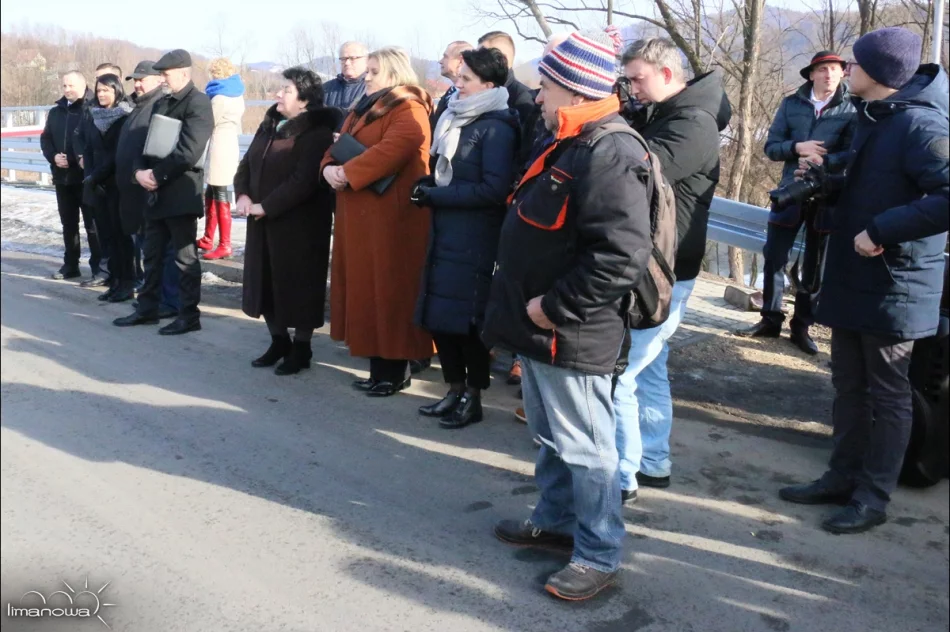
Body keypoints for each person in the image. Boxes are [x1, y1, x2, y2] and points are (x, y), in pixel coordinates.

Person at [483, 31, 653, 601]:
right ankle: (555, 522)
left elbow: (620, 255)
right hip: (539, 324)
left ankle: (598, 554)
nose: (537, 94)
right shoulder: (570, 138)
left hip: (567, 328)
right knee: (553, 436)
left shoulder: (612, 150)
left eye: (547, 84)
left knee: (588, 448)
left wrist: (555, 308)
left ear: (575, 89)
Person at [780, 28, 949, 535]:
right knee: (848, 384)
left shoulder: (921, 125)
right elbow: (872, 174)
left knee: (888, 394)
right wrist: (827, 176)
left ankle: (873, 496)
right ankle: (841, 476)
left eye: (854, 64)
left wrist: (880, 230)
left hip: (895, 284)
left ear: (879, 73)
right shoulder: (876, 116)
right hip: (855, 276)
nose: (845, 71)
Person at [612, 38, 732, 500]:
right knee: (649, 368)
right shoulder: (669, 113)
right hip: (661, 263)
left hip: (665, 268)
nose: (633, 89)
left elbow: (634, 169)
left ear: (666, 74)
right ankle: (653, 462)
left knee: (620, 375)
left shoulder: (693, 124)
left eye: (638, 79)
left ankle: (621, 477)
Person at [413, 46, 518, 428]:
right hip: (446, 232)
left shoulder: (498, 126)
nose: (456, 85)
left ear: (488, 84)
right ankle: (453, 389)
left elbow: (493, 190)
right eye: (457, 78)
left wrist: (437, 195)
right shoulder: (456, 118)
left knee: (467, 321)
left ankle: (473, 397)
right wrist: (426, 186)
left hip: (475, 238)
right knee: (441, 317)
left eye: (465, 80)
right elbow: (448, 174)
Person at [321, 47, 434, 397]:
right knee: (365, 291)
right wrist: (328, 169)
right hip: (361, 215)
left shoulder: (409, 107)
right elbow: (336, 144)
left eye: (373, 70)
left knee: (389, 292)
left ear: (394, 73)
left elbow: (395, 149)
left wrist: (347, 172)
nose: (365, 76)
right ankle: (378, 367)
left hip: (392, 220)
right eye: (366, 69)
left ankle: (394, 369)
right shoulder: (363, 107)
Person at [737, 50, 856, 355]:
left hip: (827, 193)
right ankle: (770, 320)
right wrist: (798, 147)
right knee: (775, 256)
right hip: (790, 190)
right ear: (811, 74)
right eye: (823, 69)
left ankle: (801, 327)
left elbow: (855, 152)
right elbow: (771, 147)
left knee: (814, 266)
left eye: (834, 69)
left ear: (842, 73)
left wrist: (824, 158)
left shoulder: (852, 108)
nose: (829, 74)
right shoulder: (791, 104)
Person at [235, 68, 340, 375]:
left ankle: (303, 348)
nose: (277, 95)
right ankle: (278, 340)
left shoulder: (316, 132)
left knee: (299, 286)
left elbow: (303, 181)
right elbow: (247, 163)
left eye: (286, 90)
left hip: (300, 225)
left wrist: (266, 205)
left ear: (305, 100)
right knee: (265, 282)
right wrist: (242, 194)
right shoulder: (269, 124)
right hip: (260, 218)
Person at [113, 49, 214, 336]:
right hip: (155, 193)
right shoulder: (164, 103)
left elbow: (189, 150)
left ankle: (188, 315)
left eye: (166, 74)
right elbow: (146, 146)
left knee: (184, 259)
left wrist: (156, 174)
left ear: (183, 72)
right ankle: (147, 309)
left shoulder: (198, 103)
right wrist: (139, 172)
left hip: (181, 193)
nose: (164, 79)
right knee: (152, 254)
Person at [115, 61, 179, 320]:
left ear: (157, 80)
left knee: (162, 251)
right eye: (135, 80)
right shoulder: (140, 106)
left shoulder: (159, 106)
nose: (137, 84)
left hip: (150, 190)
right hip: (134, 190)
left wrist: (148, 177)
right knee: (148, 250)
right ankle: (152, 295)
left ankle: (169, 300)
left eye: (142, 79)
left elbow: (161, 149)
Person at [39, 70, 101, 281]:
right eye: (64, 86)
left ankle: (98, 268)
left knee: (92, 226)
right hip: (62, 177)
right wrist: (54, 157)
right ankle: (71, 264)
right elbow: (45, 139)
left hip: (85, 177)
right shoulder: (56, 112)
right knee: (68, 224)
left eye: (71, 85)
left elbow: (94, 142)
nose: (67, 90)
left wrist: (76, 159)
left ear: (83, 86)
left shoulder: (91, 109)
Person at [80, 73, 134, 302]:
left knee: (122, 237)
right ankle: (114, 281)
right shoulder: (93, 116)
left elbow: (117, 154)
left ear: (117, 90)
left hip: (116, 184)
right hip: (96, 184)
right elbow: (90, 149)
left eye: (106, 90)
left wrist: (96, 176)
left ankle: (127, 283)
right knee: (107, 237)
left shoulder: (124, 117)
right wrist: (90, 176)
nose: (102, 94)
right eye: (99, 90)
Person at [198, 57, 246, 260]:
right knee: (213, 193)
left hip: (219, 146)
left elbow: (210, 122)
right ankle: (209, 237)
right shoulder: (237, 93)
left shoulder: (219, 97)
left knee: (220, 195)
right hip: (229, 143)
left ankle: (224, 243)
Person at [477, 31, 536, 131]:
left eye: (481, 58)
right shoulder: (481, 93)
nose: (475, 64)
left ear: (503, 59)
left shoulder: (523, 100)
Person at [430, 41, 473, 132]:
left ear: (461, 61)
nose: (440, 61)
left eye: (445, 57)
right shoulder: (450, 92)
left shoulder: (471, 96)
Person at [324, 42, 368, 112]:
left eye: (352, 58)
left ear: (366, 60)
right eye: (343, 59)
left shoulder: (372, 87)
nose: (347, 63)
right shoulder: (326, 89)